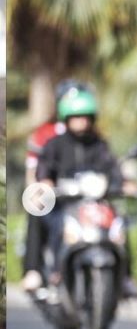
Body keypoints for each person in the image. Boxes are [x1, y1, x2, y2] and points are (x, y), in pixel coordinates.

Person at [35, 85, 137, 297]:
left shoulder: (99, 145)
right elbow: (44, 169)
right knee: (56, 225)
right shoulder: (55, 144)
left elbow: (112, 168)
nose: (81, 121)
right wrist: (46, 182)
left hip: (95, 204)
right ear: (67, 118)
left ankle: (126, 277)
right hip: (66, 204)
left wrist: (124, 184)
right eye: (76, 117)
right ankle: (56, 271)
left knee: (119, 226)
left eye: (85, 117)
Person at [21, 79, 79, 292]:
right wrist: (40, 190)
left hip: (84, 196)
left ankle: (123, 277)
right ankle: (33, 270)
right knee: (36, 210)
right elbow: (33, 170)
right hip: (55, 196)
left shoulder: (92, 137)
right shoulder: (45, 133)